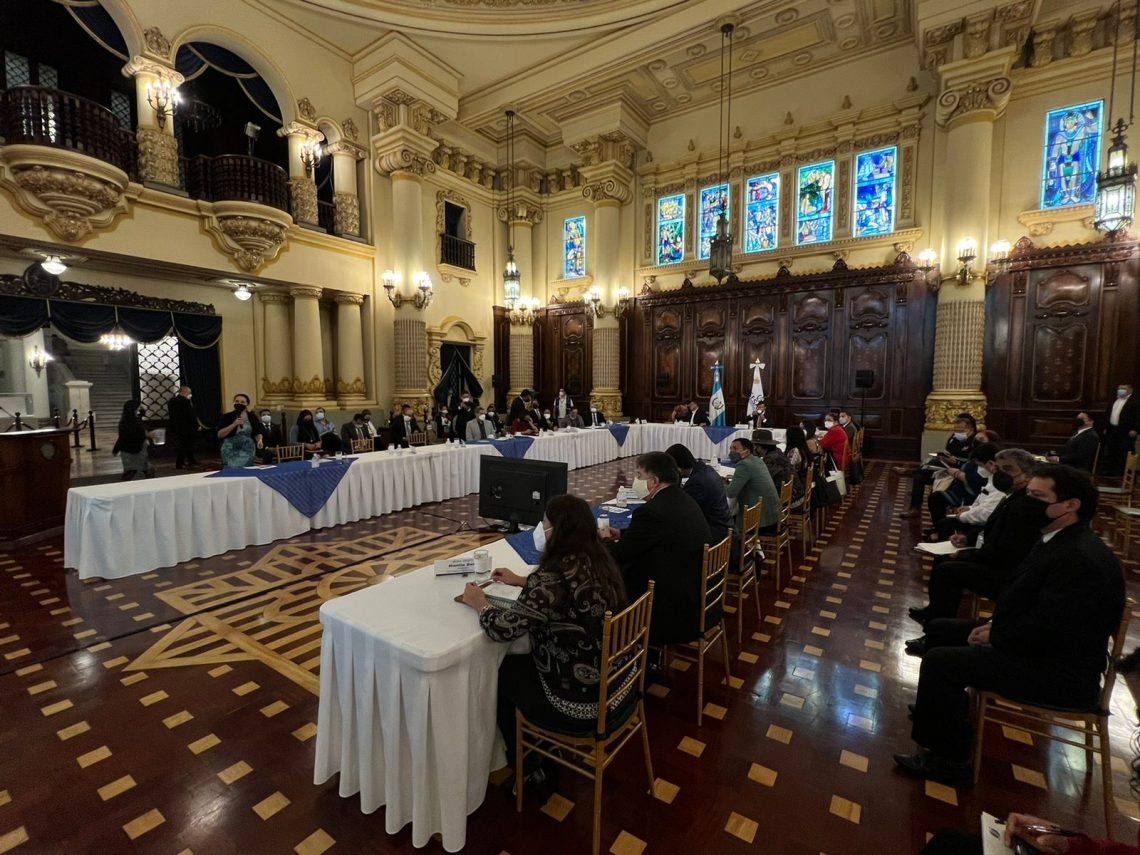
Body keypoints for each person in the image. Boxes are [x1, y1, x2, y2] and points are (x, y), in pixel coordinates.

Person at [894, 465, 1124, 783]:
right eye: (1028, 494)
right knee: (941, 629)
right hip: (1033, 645)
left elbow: (1055, 629)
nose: (1027, 502)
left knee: (940, 661)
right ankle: (937, 712)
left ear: (1071, 505)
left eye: (1038, 497)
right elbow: (1034, 607)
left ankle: (951, 761)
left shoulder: (1079, 558)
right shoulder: (1057, 539)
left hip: (1058, 672)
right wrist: (995, 626)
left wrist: (997, 635)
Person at [459, 494, 630, 784]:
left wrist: (480, 603)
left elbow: (501, 630)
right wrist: (523, 580)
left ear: (556, 531)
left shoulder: (551, 578)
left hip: (583, 701)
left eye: (545, 523)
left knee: (500, 671)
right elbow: (568, 592)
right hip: (619, 681)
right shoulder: (599, 559)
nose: (541, 529)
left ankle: (528, 764)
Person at [907, 448, 1042, 632]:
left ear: (1028, 474)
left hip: (1007, 570)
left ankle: (937, 628)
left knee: (948, 570)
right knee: (942, 561)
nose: (1000, 474)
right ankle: (933, 613)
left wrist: (966, 555)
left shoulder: (1025, 505)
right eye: (998, 469)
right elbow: (993, 528)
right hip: (994, 554)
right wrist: (967, 538)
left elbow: (1006, 550)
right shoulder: (1012, 495)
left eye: (1008, 469)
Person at [600, 452, 712, 646]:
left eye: (639, 475)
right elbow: (655, 534)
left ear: (654, 482)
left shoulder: (651, 511)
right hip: (693, 590)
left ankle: (617, 644)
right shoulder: (682, 498)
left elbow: (619, 554)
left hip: (668, 604)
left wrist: (605, 540)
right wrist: (622, 533)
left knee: (609, 578)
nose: (635, 480)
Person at [897, 415, 977, 519]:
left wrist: (956, 462)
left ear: (970, 429)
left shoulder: (975, 442)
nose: (957, 432)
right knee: (919, 477)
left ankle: (911, 471)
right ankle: (915, 508)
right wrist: (945, 457)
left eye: (961, 430)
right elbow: (949, 450)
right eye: (956, 429)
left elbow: (972, 463)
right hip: (946, 467)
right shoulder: (955, 437)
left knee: (921, 472)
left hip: (959, 472)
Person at [665, 443, 732, 544]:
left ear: (677, 467)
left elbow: (679, 509)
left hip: (715, 534)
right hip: (724, 526)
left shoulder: (696, 483)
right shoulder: (707, 469)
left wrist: (676, 480)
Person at [926, 442, 998, 532]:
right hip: (965, 492)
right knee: (935, 496)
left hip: (970, 496)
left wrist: (959, 474)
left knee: (943, 519)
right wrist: (970, 508)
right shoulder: (984, 469)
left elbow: (985, 505)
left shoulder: (997, 479)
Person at [726, 437, 780, 534]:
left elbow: (731, 493)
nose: (731, 452)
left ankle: (733, 543)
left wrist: (719, 484)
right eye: (730, 448)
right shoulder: (757, 460)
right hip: (773, 516)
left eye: (735, 448)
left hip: (759, 522)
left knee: (724, 523)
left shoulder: (744, 465)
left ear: (746, 451)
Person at [753, 430, 803, 506]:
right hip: (797, 495)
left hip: (792, 501)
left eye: (756, 447)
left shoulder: (770, 459)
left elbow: (760, 480)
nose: (755, 449)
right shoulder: (777, 452)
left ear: (763, 447)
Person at [216, 393, 263, 469]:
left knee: (246, 470)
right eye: (237, 401)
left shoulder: (252, 417)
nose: (239, 403)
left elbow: (257, 432)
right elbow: (220, 434)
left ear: (247, 404)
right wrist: (234, 424)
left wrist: (259, 440)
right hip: (230, 449)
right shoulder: (227, 416)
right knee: (232, 470)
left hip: (247, 449)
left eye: (242, 402)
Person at [113, 398, 155, 480]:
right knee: (134, 473)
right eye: (138, 407)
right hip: (133, 451)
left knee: (143, 470)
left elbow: (122, 437)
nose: (139, 408)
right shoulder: (130, 422)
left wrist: (116, 449)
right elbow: (131, 436)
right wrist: (146, 435)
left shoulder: (129, 419)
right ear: (133, 409)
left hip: (132, 450)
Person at [1105, 383, 1138, 475]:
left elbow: (1138, 416)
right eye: (1119, 389)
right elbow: (1109, 414)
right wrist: (1106, 427)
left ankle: (1123, 471)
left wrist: (1135, 429)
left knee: (1124, 451)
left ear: (1130, 390)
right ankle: (1111, 470)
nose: (1120, 390)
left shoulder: (1135, 402)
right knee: (1112, 449)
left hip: (1126, 430)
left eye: (1123, 389)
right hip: (1113, 429)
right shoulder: (1114, 400)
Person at [167, 385, 198, 470]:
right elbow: (190, 415)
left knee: (183, 445)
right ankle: (181, 463)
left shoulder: (172, 401)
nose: (190, 395)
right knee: (186, 445)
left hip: (178, 427)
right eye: (189, 393)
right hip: (187, 427)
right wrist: (196, 425)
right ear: (184, 392)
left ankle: (188, 460)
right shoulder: (185, 401)